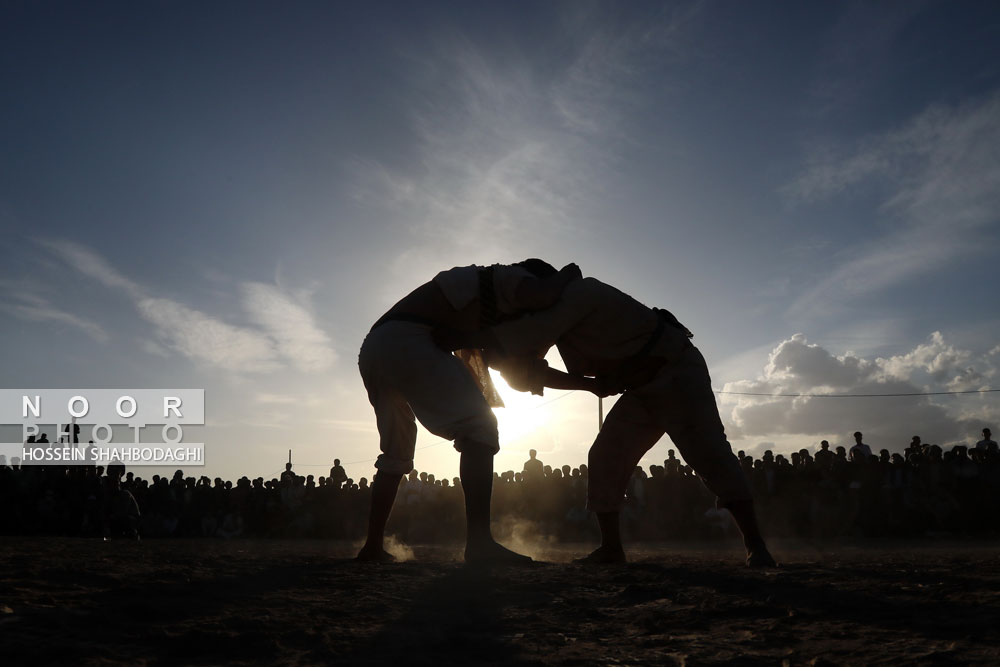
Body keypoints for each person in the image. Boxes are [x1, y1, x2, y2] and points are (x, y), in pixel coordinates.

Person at [435, 273, 776, 567]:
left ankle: (755, 545)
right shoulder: (552, 318)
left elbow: (526, 341)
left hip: (675, 370)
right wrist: (588, 385)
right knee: (604, 457)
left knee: (710, 453)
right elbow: (525, 371)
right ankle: (612, 548)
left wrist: (474, 338)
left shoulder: (579, 295)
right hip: (640, 386)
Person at [356, 259, 582, 563]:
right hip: (409, 339)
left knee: (396, 454)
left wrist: (587, 385)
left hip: (376, 348)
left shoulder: (487, 306)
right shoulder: (513, 279)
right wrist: (571, 276)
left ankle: (372, 547)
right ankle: (479, 544)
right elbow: (546, 292)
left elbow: (515, 368)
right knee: (480, 426)